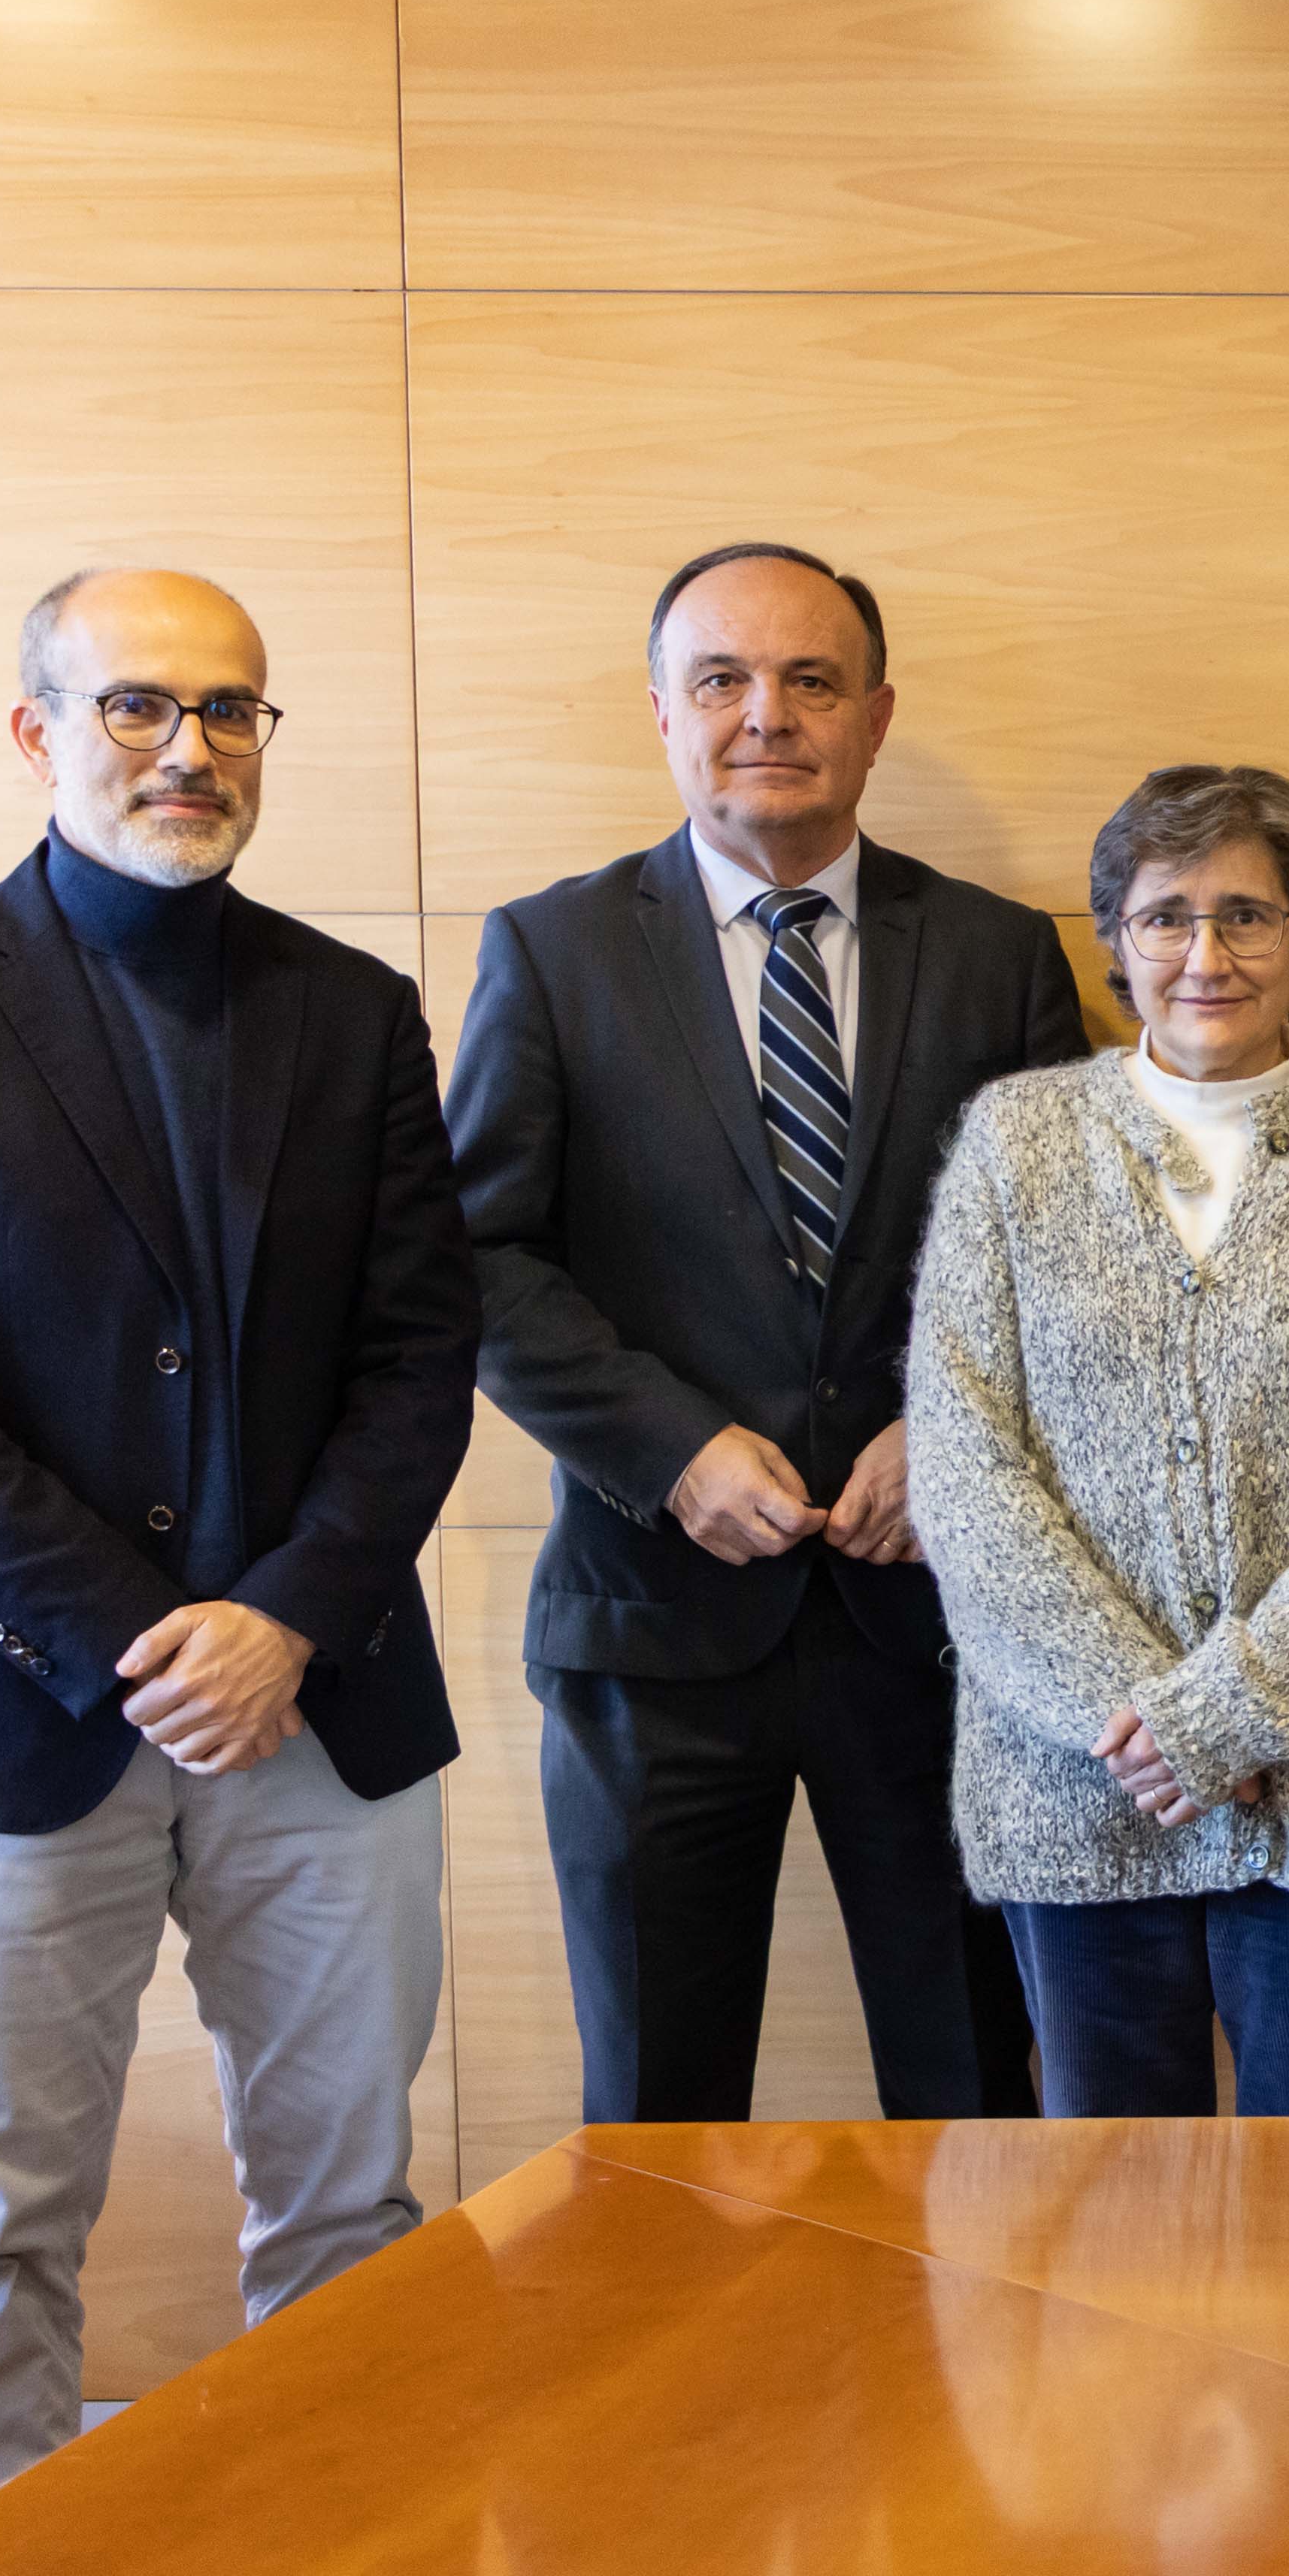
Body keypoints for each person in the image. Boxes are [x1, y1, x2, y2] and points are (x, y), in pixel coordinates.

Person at [0, 568, 478, 2529]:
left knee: (351, 2213)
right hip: (3, 1722)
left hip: (322, 1711)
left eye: (234, 709)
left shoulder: (353, 1013)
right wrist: (143, 1636)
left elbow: (424, 1357)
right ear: (38, 731)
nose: (192, 748)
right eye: (141, 706)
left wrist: (280, 1617)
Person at [446, 541, 1091, 2125]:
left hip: (936, 1621)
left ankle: (979, 2381)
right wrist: (664, 1447)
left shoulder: (1000, 954)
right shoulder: (554, 949)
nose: (766, 714)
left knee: (973, 2097)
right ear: (661, 713)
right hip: (651, 1625)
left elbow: (1071, 1264)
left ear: (875, 717)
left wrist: (947, 1440)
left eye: (811, 679)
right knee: (658, 2118)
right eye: (721, 678)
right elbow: (476, 1255)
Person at [909, 765, 1289, 2115]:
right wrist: (1146, 1724)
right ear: (1116, 939)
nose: (1206, 954)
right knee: (1111, 2246)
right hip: (1081, 1790)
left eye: (1249, 913)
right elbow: (965, 1466)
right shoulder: (1015, 1145)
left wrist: (1224, 1716)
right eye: (1166, 915)